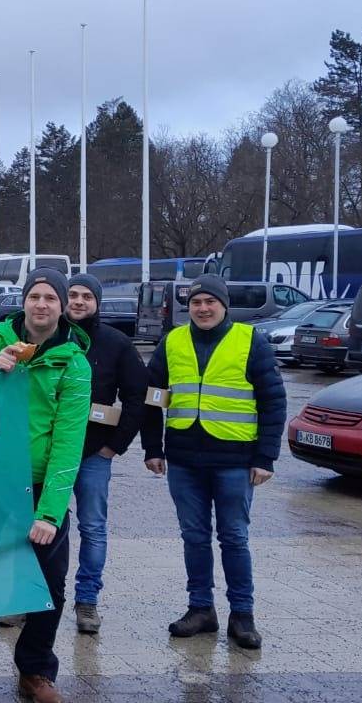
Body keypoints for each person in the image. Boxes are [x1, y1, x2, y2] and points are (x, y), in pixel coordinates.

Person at [0, 268, 91, 703]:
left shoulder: (74, 362)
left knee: (49, 584)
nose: (42, 305)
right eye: (35, 296)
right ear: (24, 300)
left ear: (63, 306)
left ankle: (35, 669)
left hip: (36, 486)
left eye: (51, 298)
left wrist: (50, 512)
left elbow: (69, 441)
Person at [141, 274, 285, 651]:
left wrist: (265, 456)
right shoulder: (172, 341)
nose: (203, 309)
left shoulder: (250, 340)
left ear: (224, 305)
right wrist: (152, 448)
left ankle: (243, 615)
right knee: (194, 537)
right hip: (185, 458)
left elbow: (273, 402)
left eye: (210, 302)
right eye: (196, 303)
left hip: (235, 460)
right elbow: (154, 397)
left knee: (234, 538)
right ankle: (201, 608)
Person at [64, 273, 148, 634]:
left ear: (97, 302)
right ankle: (28, 600)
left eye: (87, 296)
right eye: (73, 295)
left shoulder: (117, 344)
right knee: (35, 527)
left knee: (93, 528)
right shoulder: (47, 338)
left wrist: (114, 445)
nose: (79, 301)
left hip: (93, 455)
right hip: (46, 454)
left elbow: (136, 397)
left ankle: (87, 601)